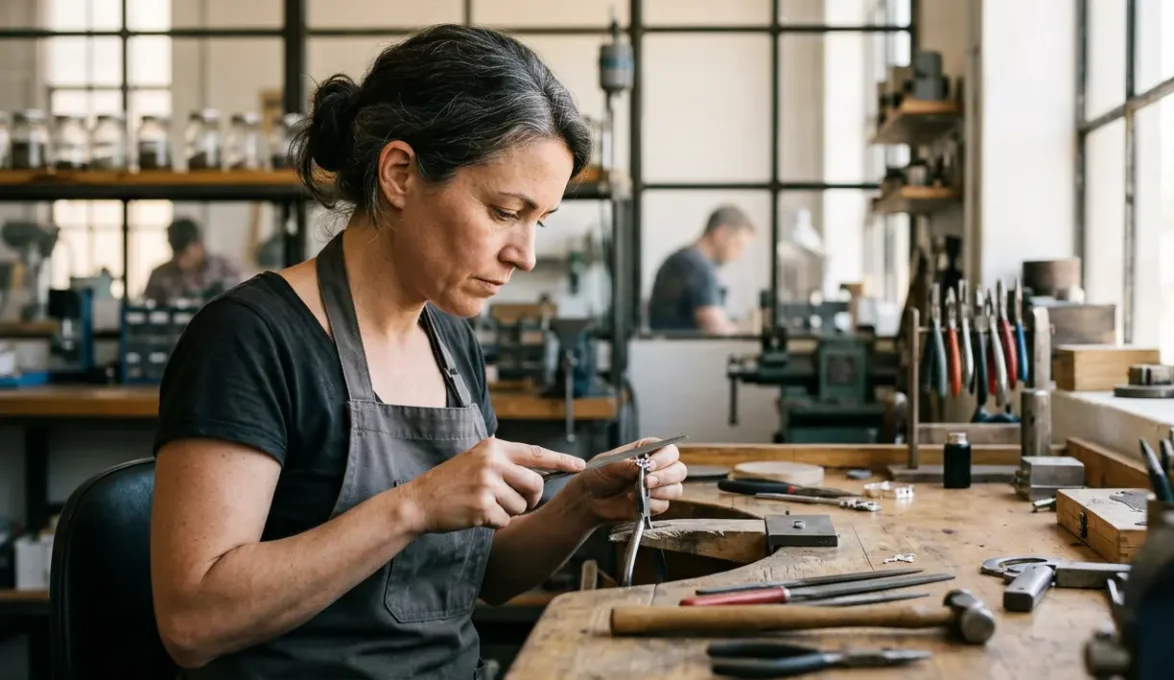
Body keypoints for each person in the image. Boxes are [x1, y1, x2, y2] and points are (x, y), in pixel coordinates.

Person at [148, 25, 687, 680]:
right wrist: (414, 505)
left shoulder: (450, 339)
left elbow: (476, 575)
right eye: (503, 211)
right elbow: (193, 621)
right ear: (400, 174)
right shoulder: (252, 340)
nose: (525, 255)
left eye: (538, 222)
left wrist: (582, 507)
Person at [648, 205, 755, 333]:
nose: (738, 256)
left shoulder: (684, 259)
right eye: (738, 245)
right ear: (720, 234)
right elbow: (716, 328)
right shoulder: (698, 267)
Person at [142, 217, 244, 302]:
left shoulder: (226, 269)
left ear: (200, 245)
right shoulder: (160, 274)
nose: (181, 263)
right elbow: (145, 308)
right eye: (176, 255)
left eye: (186, 254)